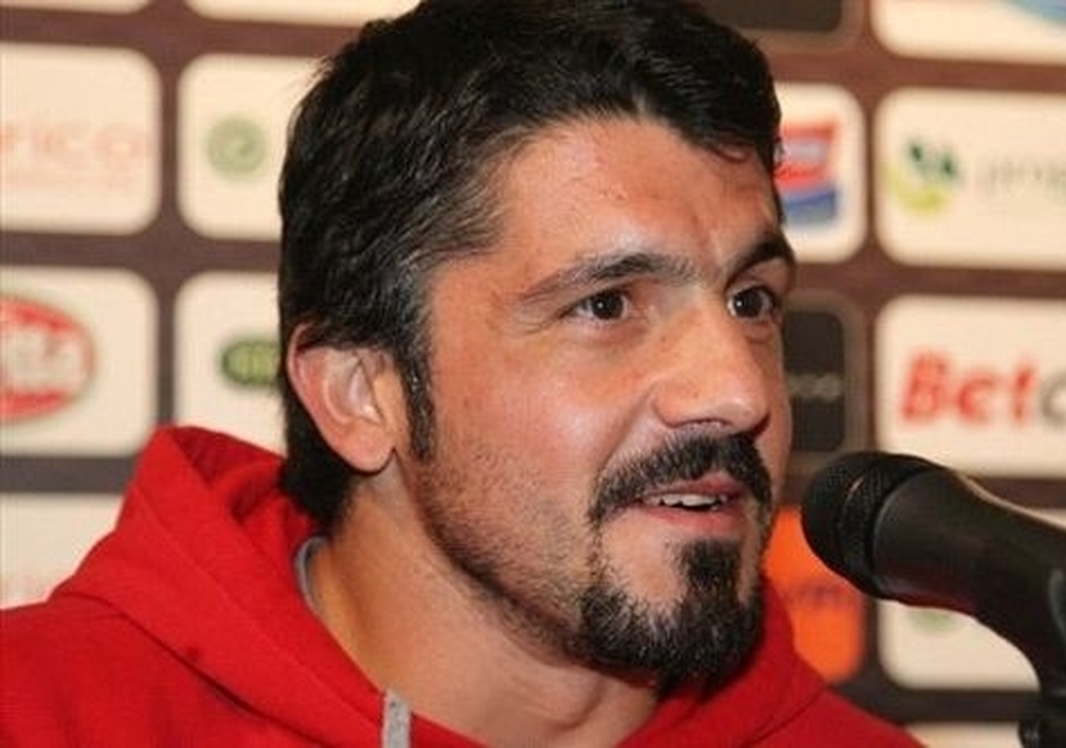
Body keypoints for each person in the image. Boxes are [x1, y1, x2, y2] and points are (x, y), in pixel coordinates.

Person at [1, 1, 921, 745]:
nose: (740, 392)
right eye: (607, 306)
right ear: (361, 393)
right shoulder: (39, 715)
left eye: (751, 302)